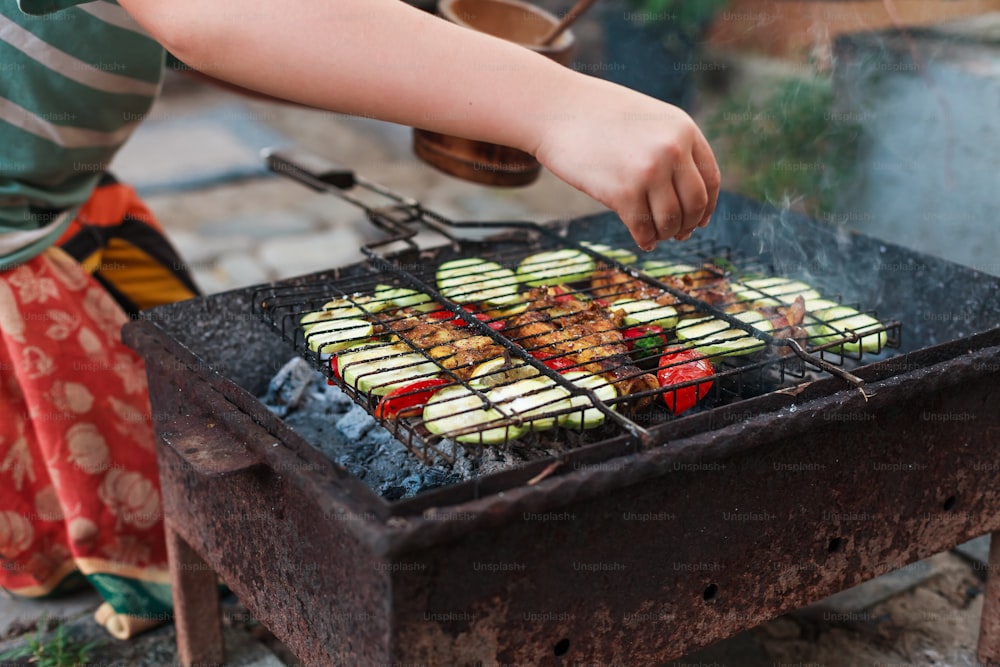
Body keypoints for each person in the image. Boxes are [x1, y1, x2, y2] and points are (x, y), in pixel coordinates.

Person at [0, 0, 720, 637]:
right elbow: (215, 13)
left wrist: (430, 87)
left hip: (60, 201)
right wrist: (562, 106)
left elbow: (205, 28)